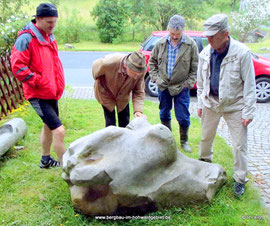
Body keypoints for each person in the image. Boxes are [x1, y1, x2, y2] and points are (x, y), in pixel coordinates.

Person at [197, 14, 257, 197]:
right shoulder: (204, 53)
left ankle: (239, 180)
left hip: (235, 105)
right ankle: (205, 167)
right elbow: (200, 82)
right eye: (206, 36)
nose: (208, 40)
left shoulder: (242, 53)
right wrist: (201, 102)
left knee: (239, 145)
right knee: (205, 139)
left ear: (225, 34)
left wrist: (248, 111)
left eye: (212, 36)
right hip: (210, 103)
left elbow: (250, 85)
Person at [11, 3, 65, 168]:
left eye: (54, 22)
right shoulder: (26, 39)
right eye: (49, 22)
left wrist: (55, 83)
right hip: (38, 93)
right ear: (38, 18)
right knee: (59, 130)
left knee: (48, 127)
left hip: (51, 91)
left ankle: (45, 160)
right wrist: (38, 81)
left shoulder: (49, 36)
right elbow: (18, 67)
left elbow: (53, 64)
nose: (52, 25)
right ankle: (68, 168)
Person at [148, 15, 198, 153]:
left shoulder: (191, 45)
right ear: (168, 30)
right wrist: (156, 79)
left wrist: (188, 84)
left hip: (182, 87)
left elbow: (195, 68)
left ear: (183, 31)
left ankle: (184, 141)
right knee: (164, 114)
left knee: (183, 116)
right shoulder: (160, 43)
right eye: (172, 33)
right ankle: (167, 140)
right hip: (163, 85)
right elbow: (152, 63)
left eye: (178, 34)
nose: (175, 36)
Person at [92, 51, 147, 127]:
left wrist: (138, 110)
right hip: (105, 93)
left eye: (138, 75)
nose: (135, 77)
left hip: (123, 95)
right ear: (126, 65)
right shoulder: (107, 63)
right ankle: (110, 138)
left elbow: (138, 91)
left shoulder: (140, 72)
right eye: (134, 73)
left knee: (125, 122)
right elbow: (95, 73)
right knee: (110, 123)